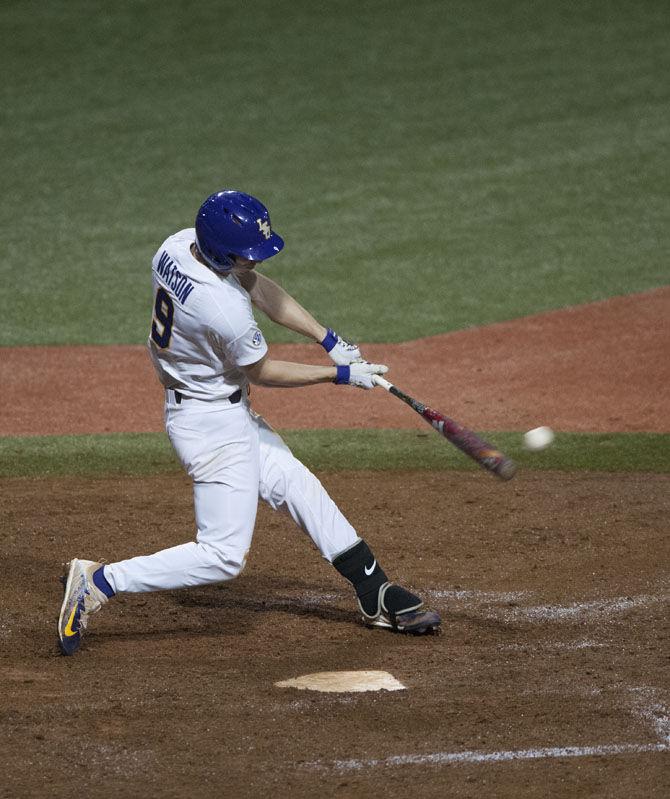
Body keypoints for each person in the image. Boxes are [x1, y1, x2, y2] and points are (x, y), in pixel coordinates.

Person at [57, 189, 441, 655]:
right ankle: (99, 581)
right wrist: (338, 374)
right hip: (210, 425)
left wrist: (329, 338)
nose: (251, 260)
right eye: (245, 253)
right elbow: (263, 370)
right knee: (221, 557)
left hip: (221, 411)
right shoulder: (223, 309)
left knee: (298, 486)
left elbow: (255, 284)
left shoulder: (177, 246)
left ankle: (373, 592)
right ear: (222, 252)